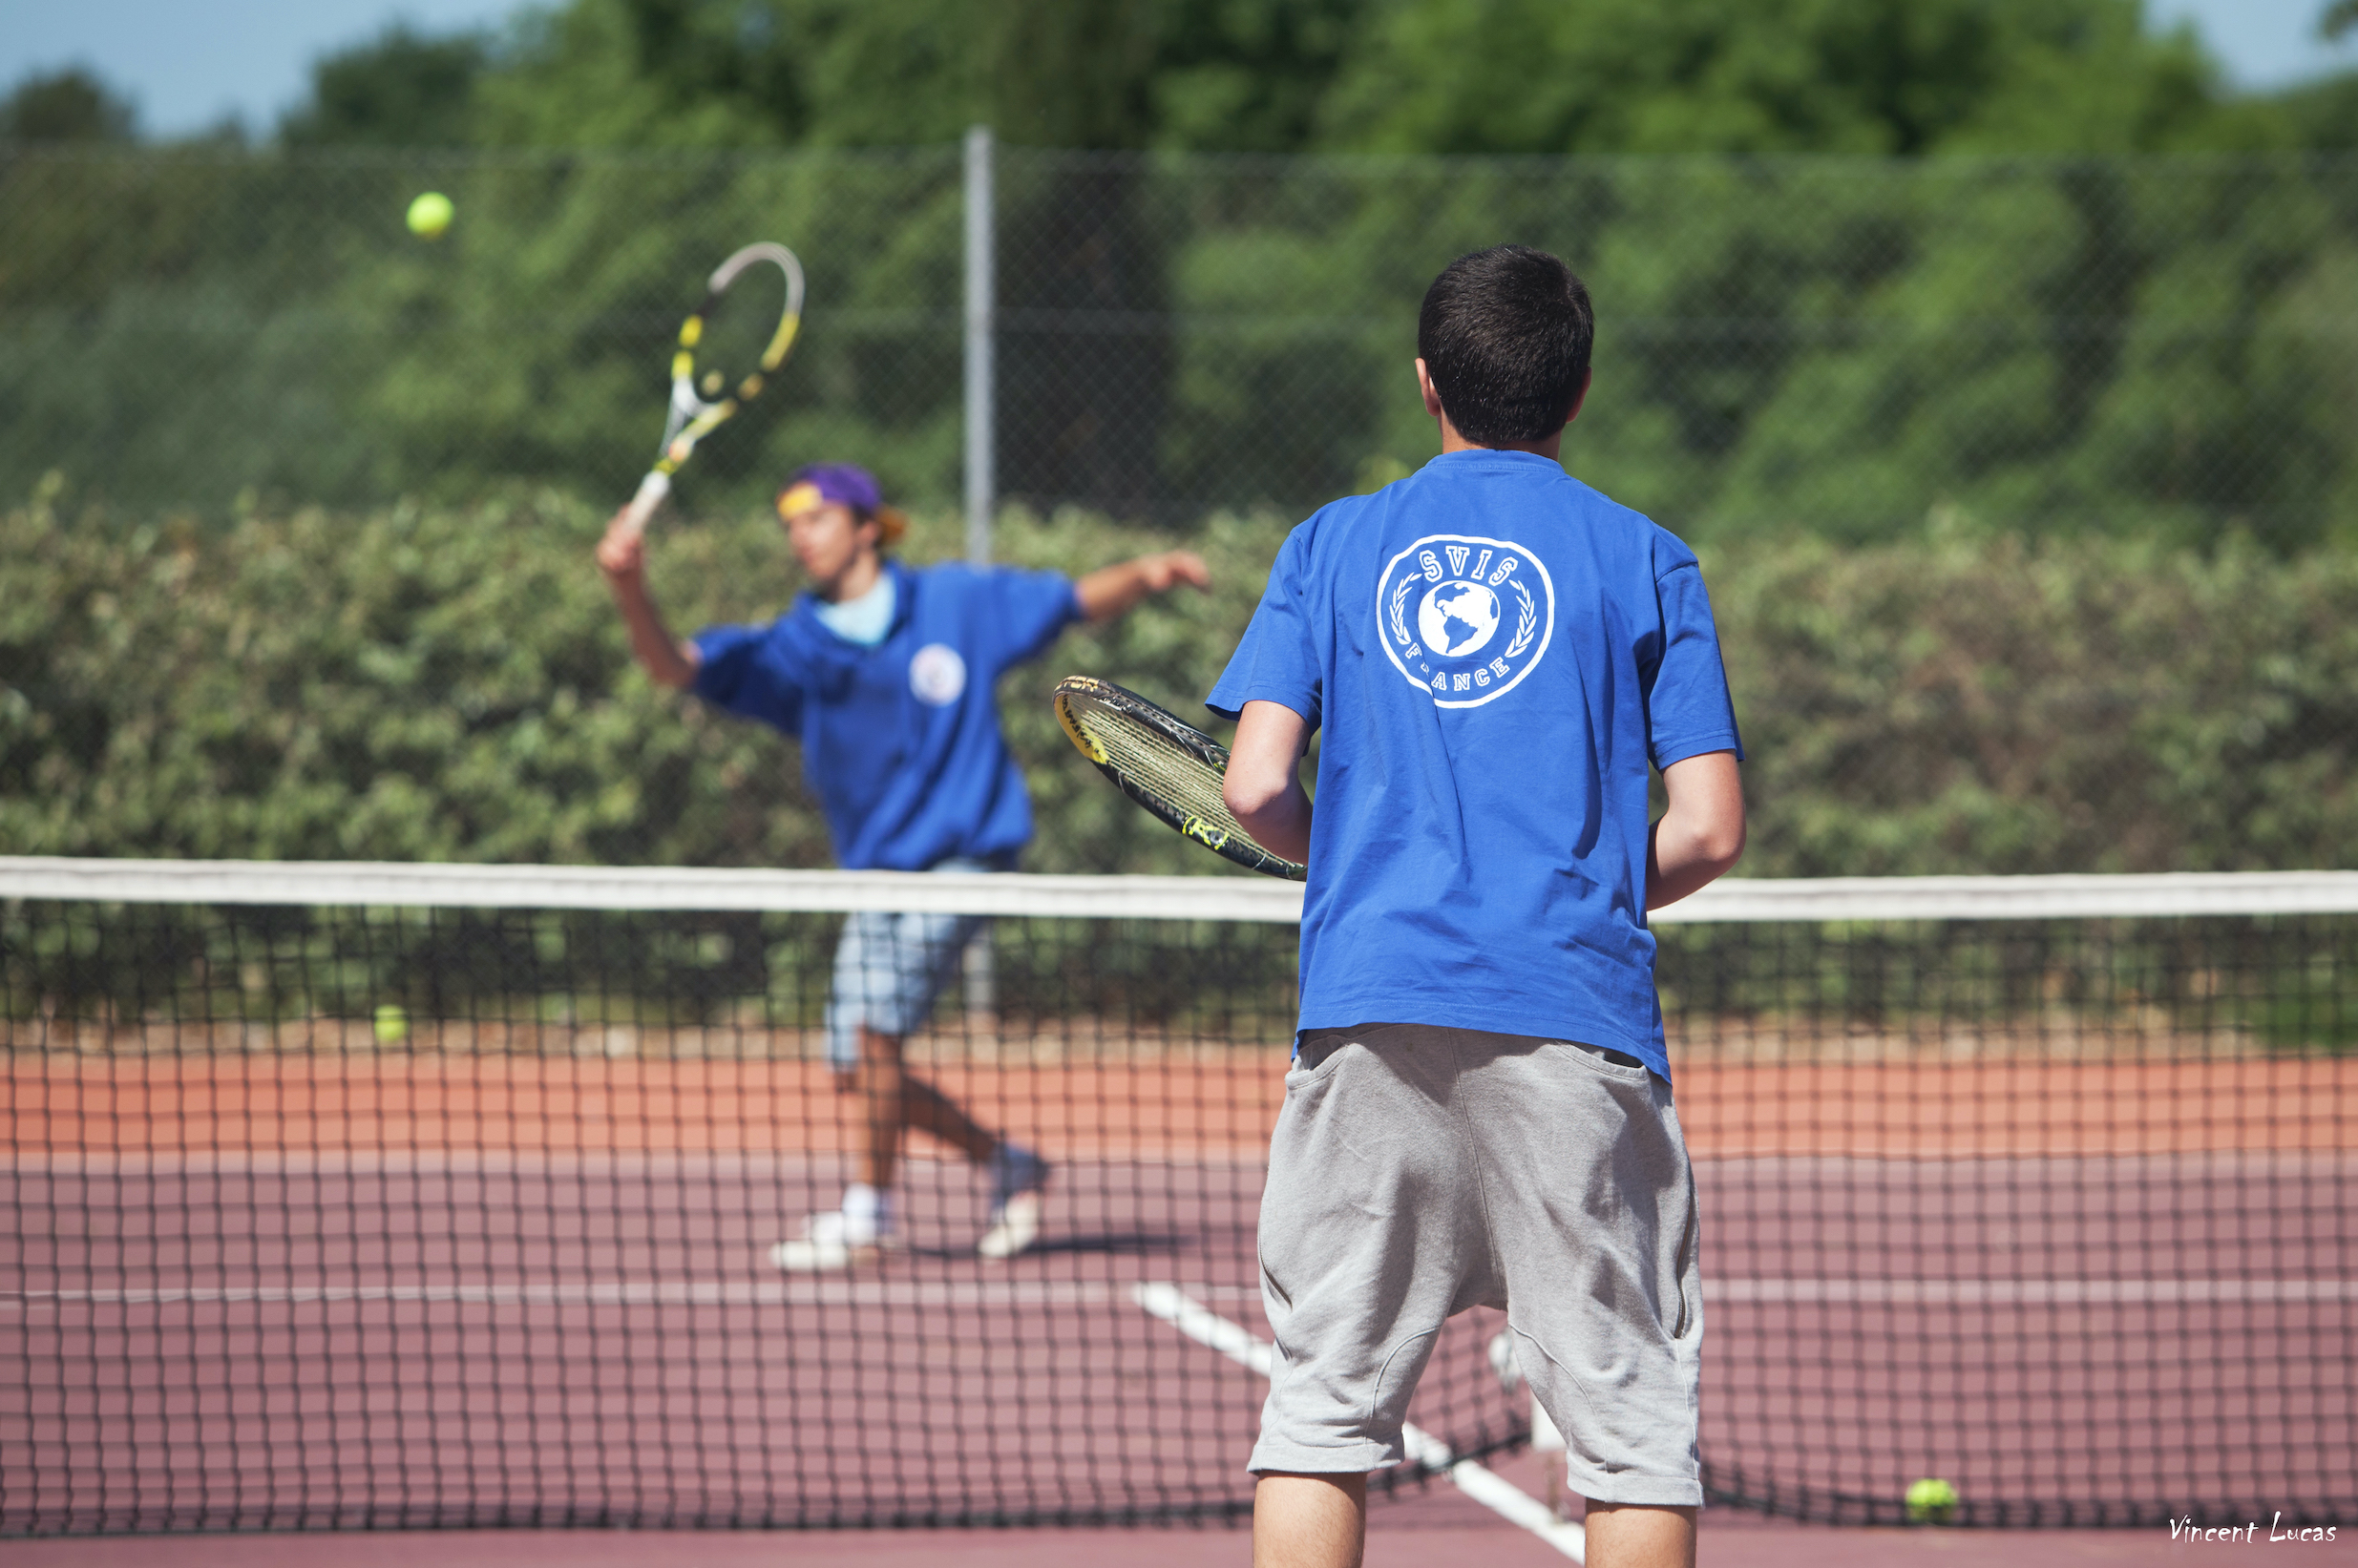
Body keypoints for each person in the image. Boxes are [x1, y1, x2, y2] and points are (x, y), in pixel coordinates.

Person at [1210, 246, 1746, 1568]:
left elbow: (1255, 784)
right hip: (1571, 1008)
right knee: (1627, 1422)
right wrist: (1589, 892)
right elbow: (1709, 826)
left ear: (1423, 380)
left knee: (1322, 1408)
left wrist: (1345, 862)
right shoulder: (1648, 555)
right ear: (1577, 390)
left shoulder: (1328, 543)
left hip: (1367, 1006)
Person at [596, 462, 1208, 1271]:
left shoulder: (954, 603)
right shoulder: (793, 648)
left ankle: (868, 1213)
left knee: (874, 1032)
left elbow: (1070, 601)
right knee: (856, 1065)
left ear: (864, 524)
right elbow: (674, 666)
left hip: (966, 855)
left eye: (813, 518)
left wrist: (1147, 570)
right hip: (876, 875)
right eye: (790, 525)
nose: (798, 537)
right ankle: (1006, 1162)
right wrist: (630, 589)